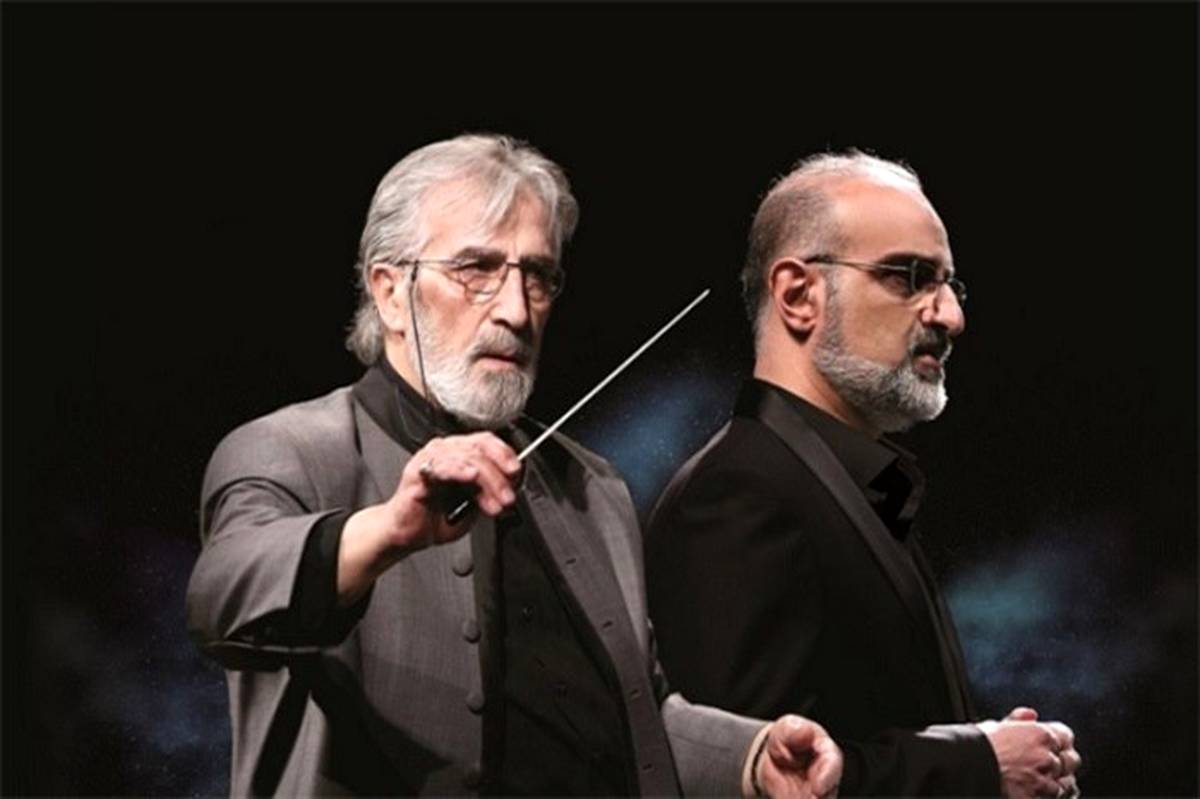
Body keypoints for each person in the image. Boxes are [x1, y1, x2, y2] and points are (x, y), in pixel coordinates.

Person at [186, 133, 842, 797]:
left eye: (537, 276)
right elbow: (220, 597)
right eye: (476, 269)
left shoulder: (590, 487)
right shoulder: (292, 448)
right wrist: (389, 529)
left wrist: (751, 757)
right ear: (389, 292)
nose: (516, 310)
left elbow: (634, 720)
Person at [644, 151, 1081, 797]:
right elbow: (745, 780)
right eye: (911, 277)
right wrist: (976, 765)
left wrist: (978, 747)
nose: (950, 316)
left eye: (950, 285)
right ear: (798, 296)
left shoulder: (829, 482)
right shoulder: (739, 494)